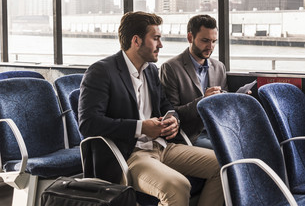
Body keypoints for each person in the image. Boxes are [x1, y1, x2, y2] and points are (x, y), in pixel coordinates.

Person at [78, 11, 223, 206]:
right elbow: (89, 124)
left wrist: (172, 119)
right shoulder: (101, 72)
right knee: (178, 185)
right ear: (136, 41)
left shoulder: (151, 71)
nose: (161, 45)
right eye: (156, 38)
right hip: (129, 155)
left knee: (224, 164)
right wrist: (141, 127)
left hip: (163, 146)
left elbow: (166, 107)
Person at [160, 14, 227, 149]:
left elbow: (224, 108)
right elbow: (172, 113)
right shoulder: (171, 68)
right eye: (205, 40)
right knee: (228, 151)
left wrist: (237, 99)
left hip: (219, 131)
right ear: (190, 37)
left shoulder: (219, 67)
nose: (210, 46)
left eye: (214, 41)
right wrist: (203, 101)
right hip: (191, 135)